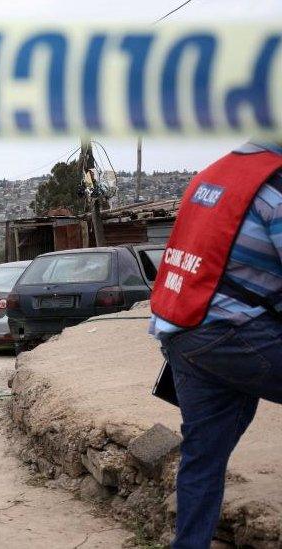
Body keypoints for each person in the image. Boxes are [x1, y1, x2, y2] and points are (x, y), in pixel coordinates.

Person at [150, 141, 282, 549]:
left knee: (202, 461)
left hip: (183, 332)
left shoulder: (213, 174)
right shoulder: (275, 186)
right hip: (233, 333)